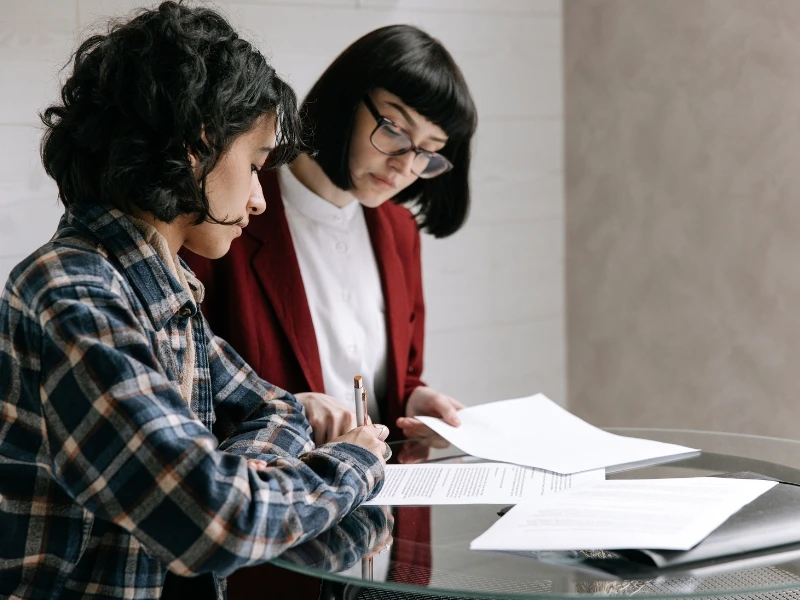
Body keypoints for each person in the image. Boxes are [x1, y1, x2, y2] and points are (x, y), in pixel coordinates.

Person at [0, 4, 390, 599]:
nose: (259, 200)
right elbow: (216, 523)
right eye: (255, 166)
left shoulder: (166, 291)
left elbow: (280, 411)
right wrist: (352, 463)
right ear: (196, 148)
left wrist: (232, 474)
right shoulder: (71, 294)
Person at [182, 23, 477, 598]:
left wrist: (416, 397)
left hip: (378, 528)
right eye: (394, 130)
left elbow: (391, 370)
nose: (405, 167)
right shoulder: (234, 213)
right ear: (346, 99)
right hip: (275, 540)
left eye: (429, 154)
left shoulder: (398, 229)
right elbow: (194, 389)